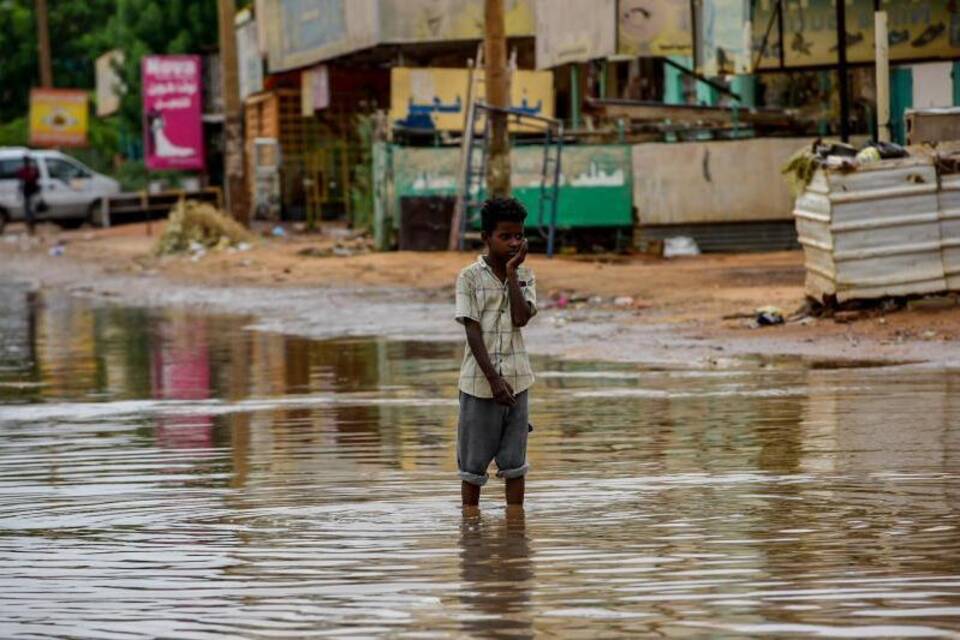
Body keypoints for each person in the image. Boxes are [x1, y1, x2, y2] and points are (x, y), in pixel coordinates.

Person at [454, 197, 537, 508]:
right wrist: (493, 381)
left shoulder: (525, 275)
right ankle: (470, 535)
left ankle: (515, 532)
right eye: (506, 236)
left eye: (519, 235)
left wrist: (513, 273)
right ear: (486, 238)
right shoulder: (469, 278)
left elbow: (520, 318)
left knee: (515, 464)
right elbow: (472, 330)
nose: (514, 243)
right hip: (478, 383)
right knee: (472, 468)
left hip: (518, 380)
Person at [15, 156, 40, 235]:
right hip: (29, 193)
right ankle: (31, 226)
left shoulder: (26, 170)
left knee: (29, 211)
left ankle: (31, 226)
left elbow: (21, 182)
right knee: (30, 211)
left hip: (30, 193)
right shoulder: (29, 170)